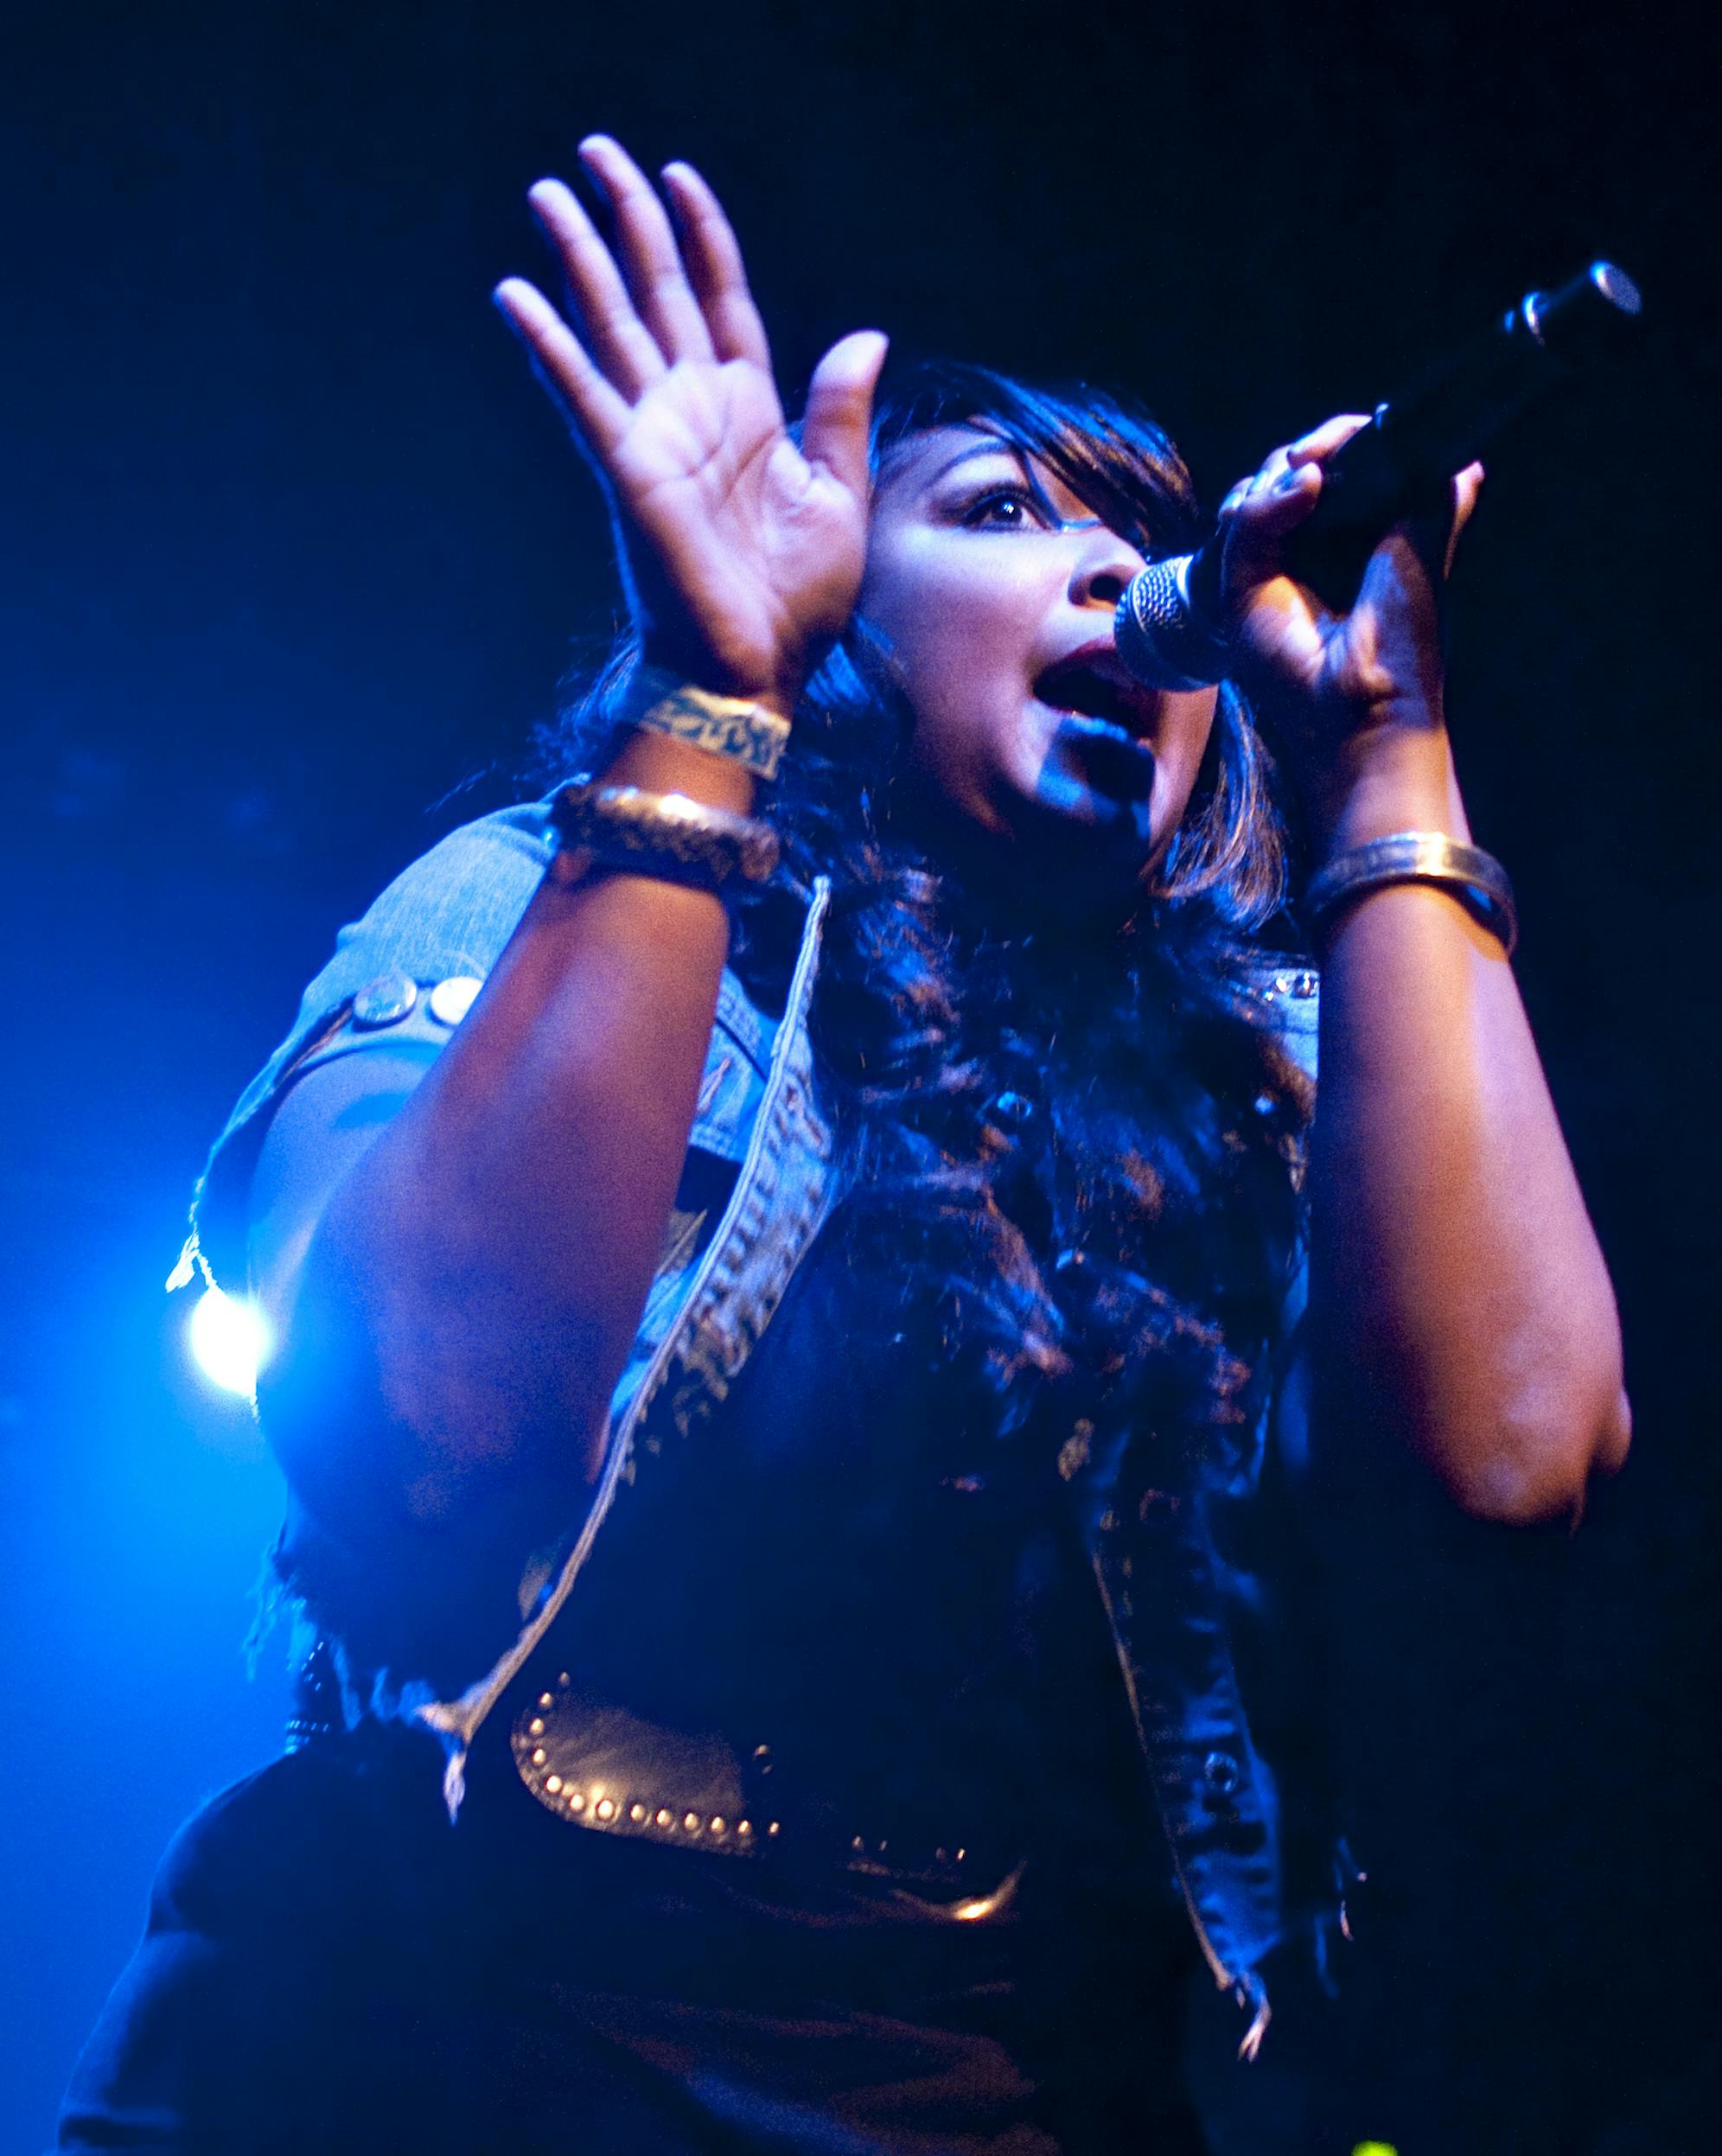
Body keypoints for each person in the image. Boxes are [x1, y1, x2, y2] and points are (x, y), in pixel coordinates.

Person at [57, 137, 1630, 2153]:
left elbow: (1508, 1469)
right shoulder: (546, 897)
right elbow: (419, 1435)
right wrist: (713, 696)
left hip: (1016, 2088)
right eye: (999, 512)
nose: (1112, 576)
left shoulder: (1277, 1057)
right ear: (840, 609)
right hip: (443, 2046)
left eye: (1143, 537)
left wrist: (1388, 754)